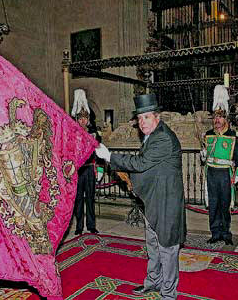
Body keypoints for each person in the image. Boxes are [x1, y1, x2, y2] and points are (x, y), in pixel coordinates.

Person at [95, 93, 185, 300]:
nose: (142, 123)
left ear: (157, 117)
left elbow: (140, 164)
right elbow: (148, 168)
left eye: (147, 117)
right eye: (140, 118)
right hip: (152, 200)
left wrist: (110, 156)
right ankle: (152, 282)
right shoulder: (151, 136)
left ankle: (169, 294)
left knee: (168, 249)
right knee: (153, 245)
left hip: (166, 203)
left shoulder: (162, 137)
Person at [201, 85, 238, 245]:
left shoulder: (233, 136)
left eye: (219, 118)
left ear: (225, 119)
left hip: (225, 174)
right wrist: (204, 154)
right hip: (211, 173)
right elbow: (205, 155)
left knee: (225, 205)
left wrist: (236, 177)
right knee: (213, 205)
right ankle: (215, 232)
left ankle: (226, 233)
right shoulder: (208, 135)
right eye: (215, 118)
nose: (216, 121)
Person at [71, 89, 103, 235]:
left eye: (85, 118)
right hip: (78, 170)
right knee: (78, 200)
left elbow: (99, 150)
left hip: (90, 169)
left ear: (88, 119)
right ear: (76, 119)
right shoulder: (72, 134)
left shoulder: (94, 133)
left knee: (90, 198)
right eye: (80, 118)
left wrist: (100, 169)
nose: (83, 121)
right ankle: (79, 226)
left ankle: (91, 225)